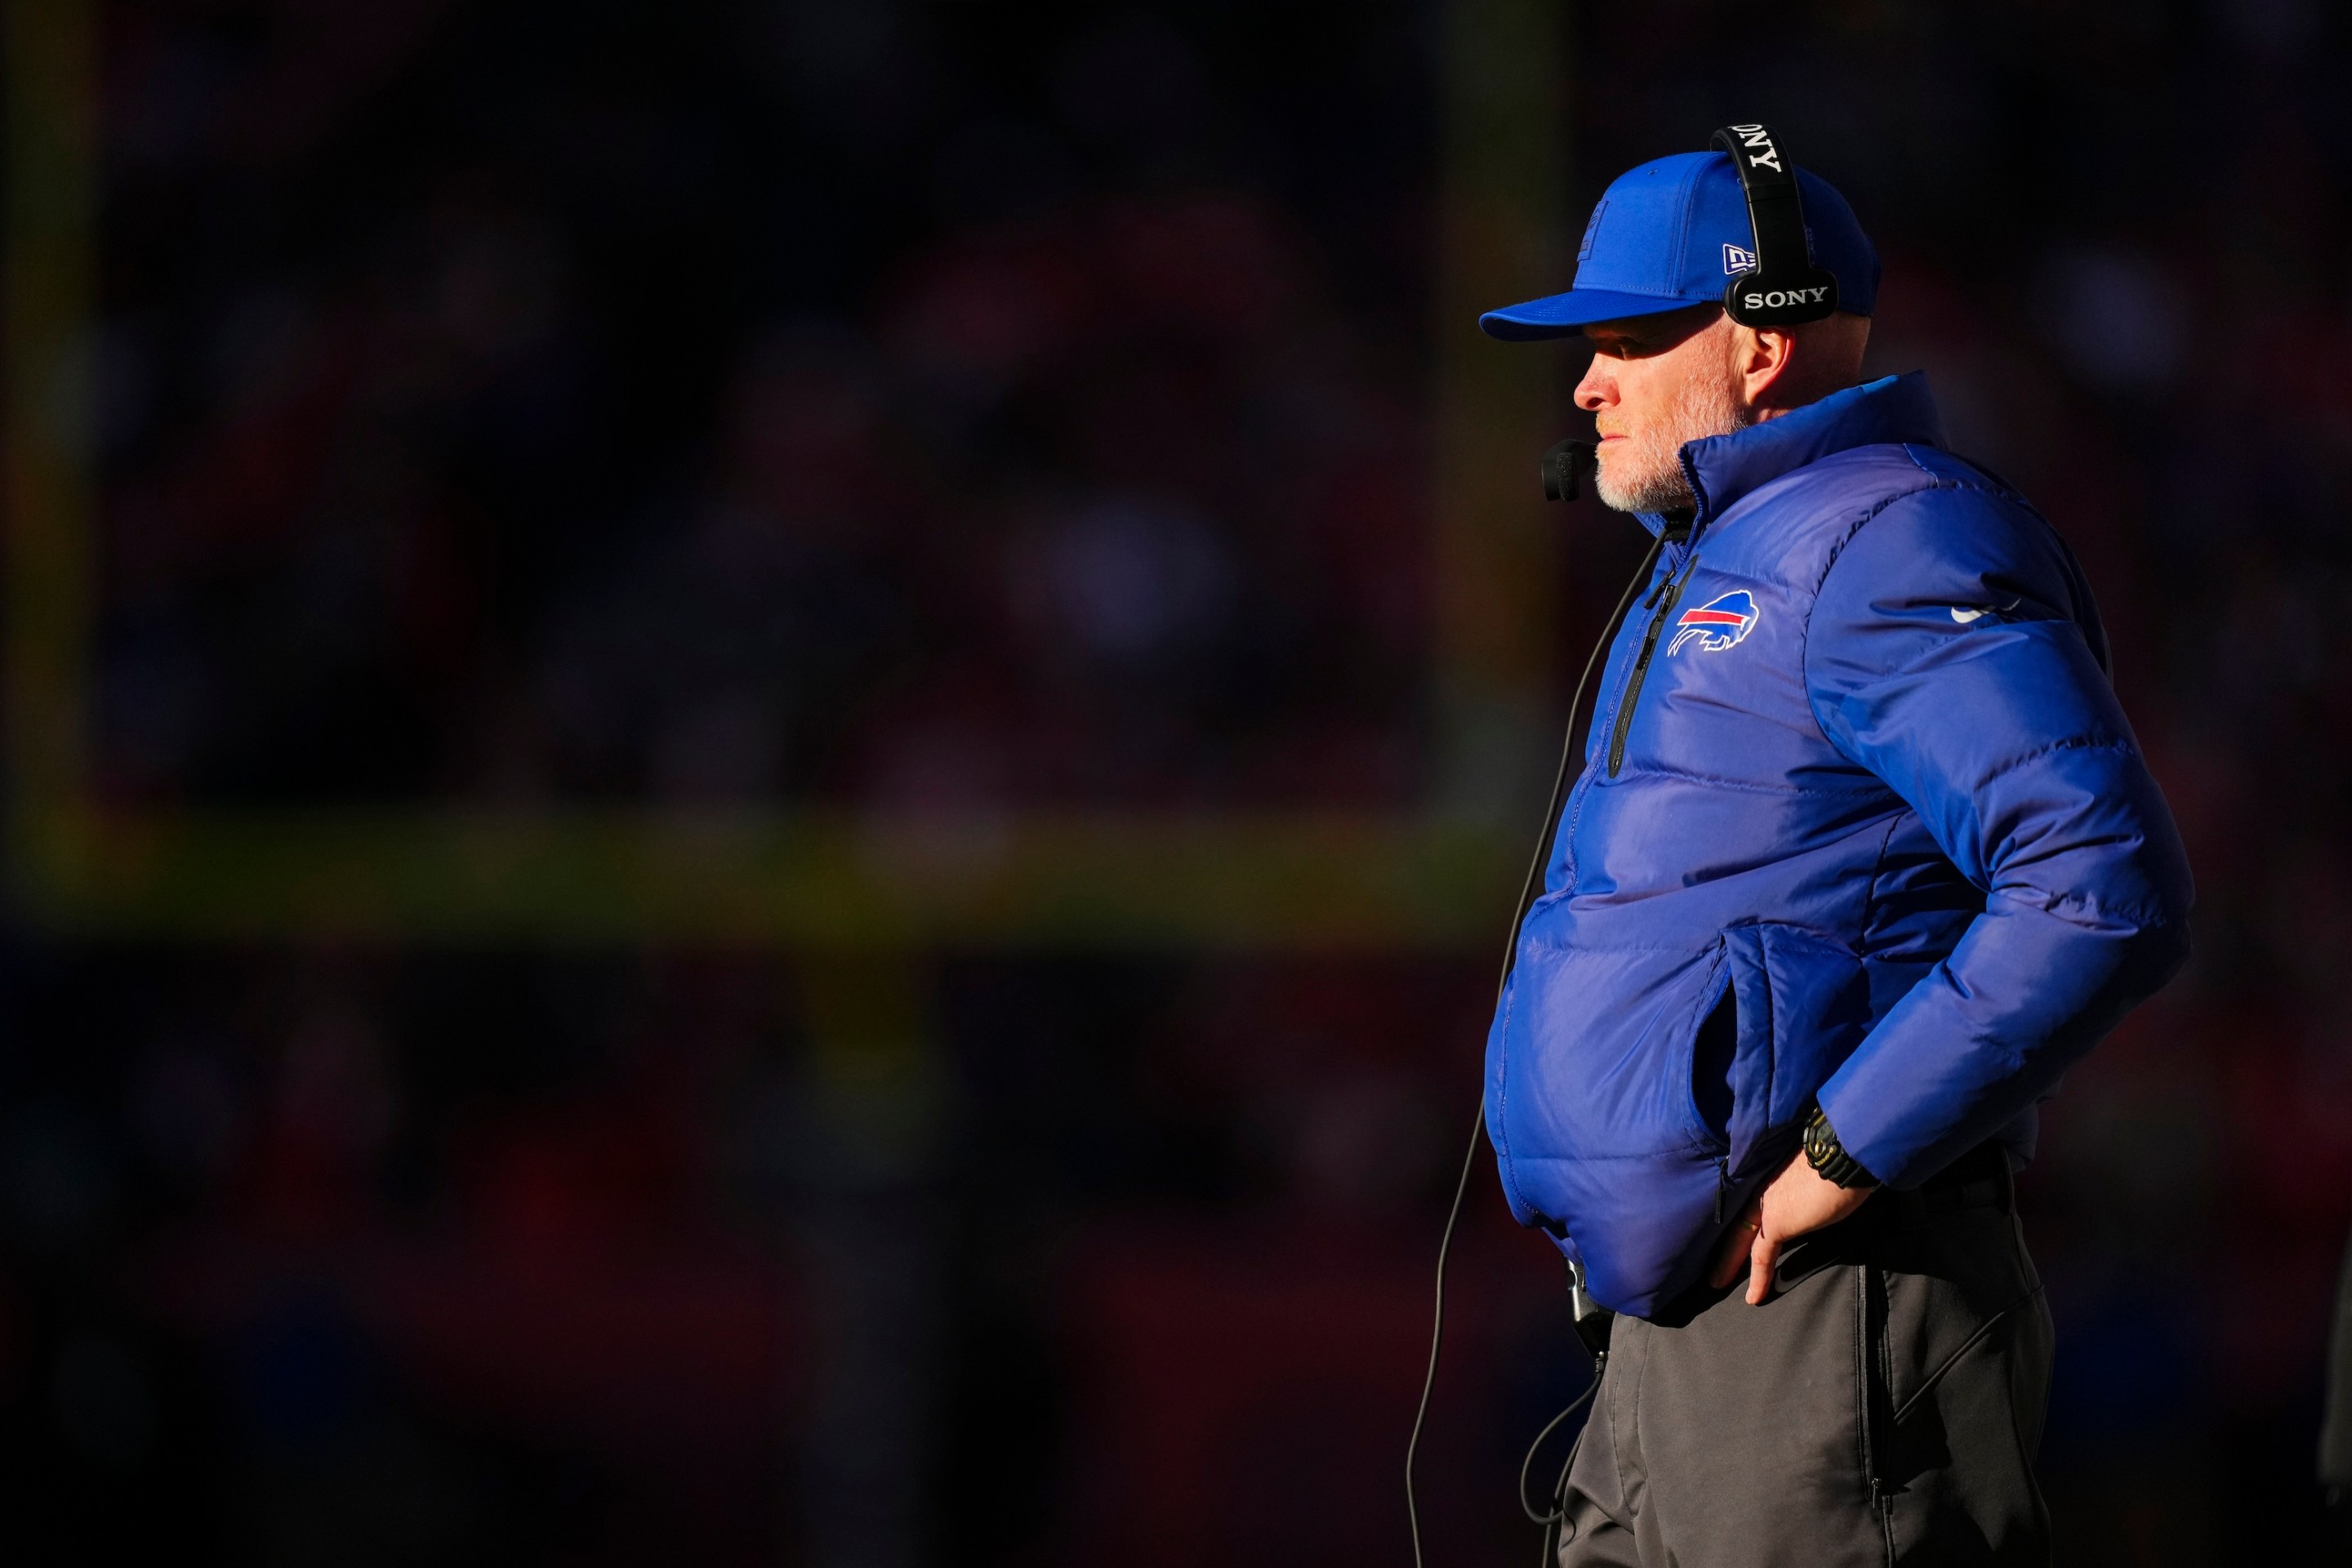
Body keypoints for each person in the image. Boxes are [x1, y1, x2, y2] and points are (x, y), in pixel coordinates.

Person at [1475, 136, 2194, 1566]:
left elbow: (2099, 880)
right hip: (1681, 1331)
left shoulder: (1887, 535)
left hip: (1825, 1312)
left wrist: (1836, 1152)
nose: (1585, 384)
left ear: (1755, 344)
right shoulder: (1734, 549)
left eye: (1623, 338)